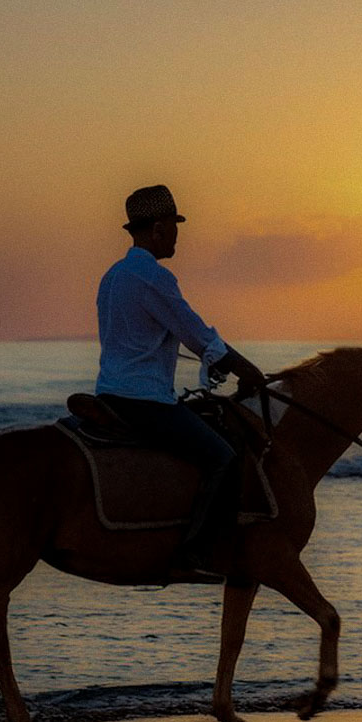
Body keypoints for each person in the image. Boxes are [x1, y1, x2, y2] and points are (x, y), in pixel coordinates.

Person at [95, 184, 266, 575]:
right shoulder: (153, 277)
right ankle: (195, 552)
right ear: (157, 229)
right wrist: (248, 370)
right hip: (144, 400)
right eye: (174, 226)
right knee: (223, 457)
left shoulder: (113, 276)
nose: (177, 235)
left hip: (109, 392)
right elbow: (198, 334)